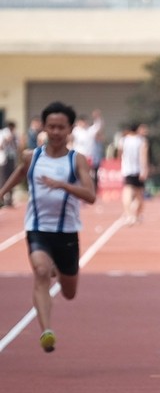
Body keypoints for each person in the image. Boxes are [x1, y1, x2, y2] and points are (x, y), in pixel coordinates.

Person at [0, 101, 96, 352]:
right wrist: (2, 192)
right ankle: (46, 331)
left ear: (70, 129)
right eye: (51, 126)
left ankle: (58, 268)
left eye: (60, 127)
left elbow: (90, 195)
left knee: (69, 291)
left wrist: (63, 185)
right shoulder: (32, 156)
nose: (55, 132)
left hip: (66, 231)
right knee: (41, 272)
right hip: (37, 227)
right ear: (44, 127)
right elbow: (21, 172)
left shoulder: (77, 161)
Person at [120, 123, 149, 225]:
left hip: (126, 169)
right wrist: (144, 169)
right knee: (139, 195)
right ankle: (136, 215)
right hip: (137, 170)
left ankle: (129, 215)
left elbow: (120, 154)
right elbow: (143, 156)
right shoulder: (141, 141)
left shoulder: (123, 140)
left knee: (127, 192)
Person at [0, 121, 19, 207]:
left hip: (12, 158)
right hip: (4, 159)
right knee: (3, 178)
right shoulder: (3, 133)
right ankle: (2, 198)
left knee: (11, 177)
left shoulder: (15, 135)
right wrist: (6, 140)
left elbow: (18, 146)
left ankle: (10, 199)